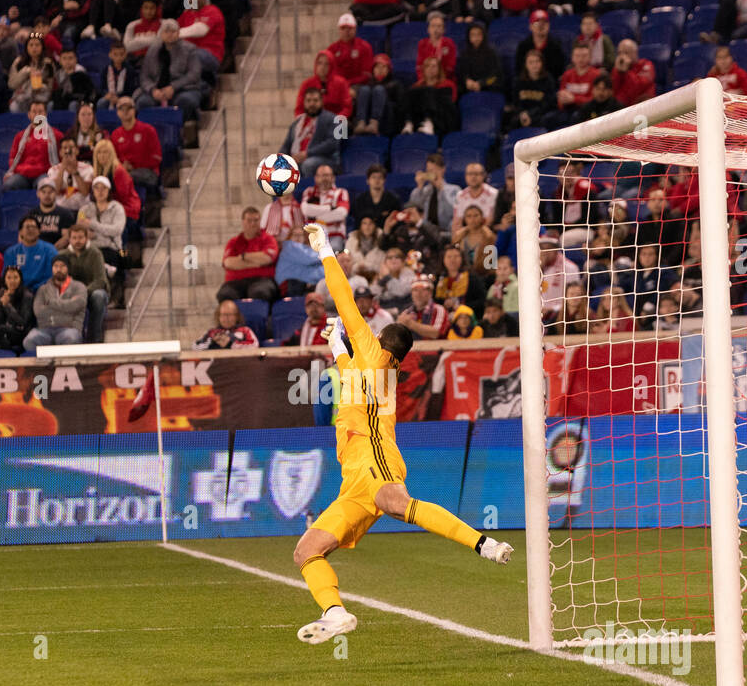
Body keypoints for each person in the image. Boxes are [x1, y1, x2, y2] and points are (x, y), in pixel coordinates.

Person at [293, 222, 511, 646]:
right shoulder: (378, 370)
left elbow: (341, 295)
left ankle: (482, 543)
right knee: (306, 551)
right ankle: (335, 614)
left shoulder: (370, 352)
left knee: (397, 503)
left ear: (376, 339)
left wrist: (323, 248)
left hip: (373, 462)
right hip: (354, 482)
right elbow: (350, 379)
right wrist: (336, 344)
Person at [134, 20, 203, 125]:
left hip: (183, 89)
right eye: (166, 31)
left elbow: (194, 74)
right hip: (157, 89)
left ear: (179, 33)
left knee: (185, 101)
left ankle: (180, 134)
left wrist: (173, 87)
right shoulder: (152, 50)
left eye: (173, 31)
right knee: (143, 102)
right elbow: (144, 76)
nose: (170, 34)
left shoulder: (190, 49)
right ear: (161, 34)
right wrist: (152, 90)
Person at [218, 206, 280, 303]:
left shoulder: (268, 239)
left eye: (256, 220)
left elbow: (267, 259)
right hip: (235, 282)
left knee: (260, 293)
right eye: (249, 221)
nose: (253, 224)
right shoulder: (233, 242)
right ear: (243, 222)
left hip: (262, 280)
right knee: (225, 295)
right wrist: (257, 263)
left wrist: (243, 257)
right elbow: (228, 263)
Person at [23, 257, 86, 351]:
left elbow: (76, 305)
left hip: (69, 328)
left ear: (68, 268)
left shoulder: (79, 287)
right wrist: (66, 307)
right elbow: (38, 312)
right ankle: (45, 366)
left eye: (62, 266)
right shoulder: (43, 289)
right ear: (52, 268)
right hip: (45, 330)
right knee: (29, 341)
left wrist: (50, 303)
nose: (59, 269)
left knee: (71, 339)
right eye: (56, 266)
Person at [0, 265, 34, 350]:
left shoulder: (27, 296)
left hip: (21, 333)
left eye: (15, 277)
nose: (12, 281)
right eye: (9, 278)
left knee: (1, 330)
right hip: (3, 334)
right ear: (4, 279)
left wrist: (7, 306)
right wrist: (0, 304)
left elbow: (23, 322)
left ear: (20, 279)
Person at [5, 216, 58, 291]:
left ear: (39, 231)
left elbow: (51, 277)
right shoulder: (11, 252)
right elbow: (7, 276)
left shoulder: (50, 250)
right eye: (27, 227)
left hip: (43, 291)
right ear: (20, 232)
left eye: (33, 227)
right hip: (17, 291)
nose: (31, 230)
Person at [193, 299, 260, 349]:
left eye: (230, 315)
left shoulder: (245, 330)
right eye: (223, 315)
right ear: (218, 317)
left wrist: (230, 344)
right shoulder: (211, 332)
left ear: (237, 316)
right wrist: (211, 343)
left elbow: (255, 346)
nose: (226, 318)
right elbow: (195, 347)